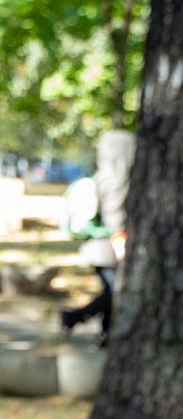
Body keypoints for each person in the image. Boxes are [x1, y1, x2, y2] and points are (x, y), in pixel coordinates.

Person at [60, 128, 135, 345]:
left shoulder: (102, 176)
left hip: (98, 247)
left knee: (112, 294)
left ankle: (105, 335)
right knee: (115, 293)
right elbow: (116, 220)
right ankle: (74, 317)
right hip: (108, 249)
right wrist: (121, 248)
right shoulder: (116, 180)